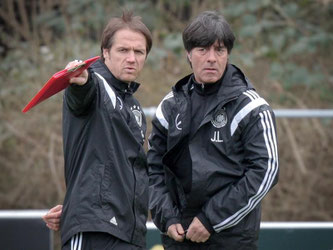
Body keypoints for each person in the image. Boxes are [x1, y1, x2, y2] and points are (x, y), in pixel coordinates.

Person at [147, 10, 279, 250]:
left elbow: (266, 170)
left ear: (227, 54)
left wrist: (211, 220)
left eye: (219, 50)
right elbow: (153, 169)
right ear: (188, 54)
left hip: (230, 239)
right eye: (202, 50)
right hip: (178, 237)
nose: (211, 58)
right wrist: (167, 217)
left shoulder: (251, 107)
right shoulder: (170, 106)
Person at [43, 11, 152, 250]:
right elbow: (83, 93)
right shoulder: (95, 83)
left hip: (130, 234)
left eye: (139, 52)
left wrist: (75, 202)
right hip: (95, 231)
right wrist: (81, 81)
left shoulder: (133, 106)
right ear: (105, 52)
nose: (131, 58)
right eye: (123, 50)